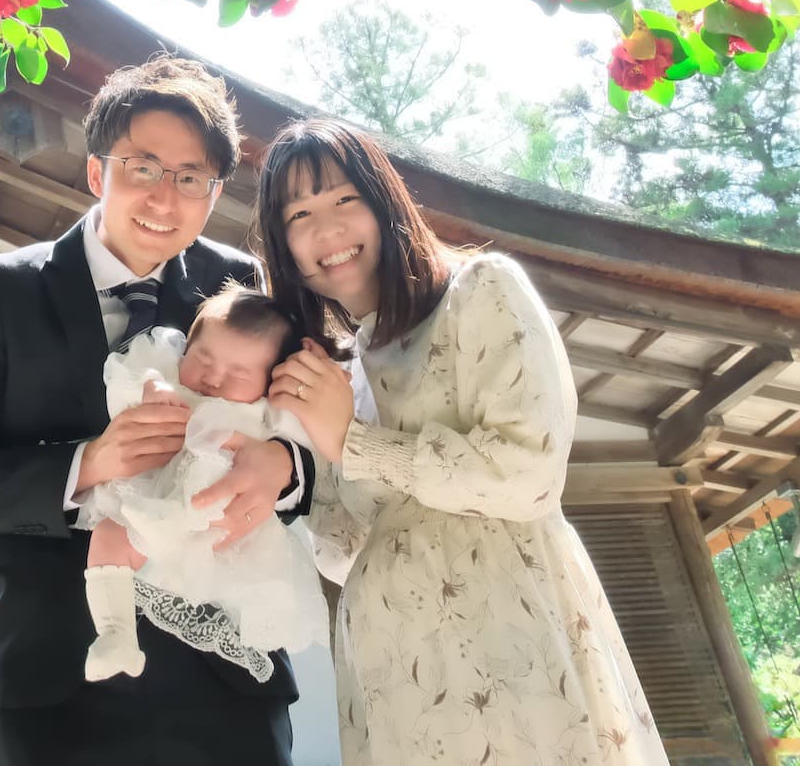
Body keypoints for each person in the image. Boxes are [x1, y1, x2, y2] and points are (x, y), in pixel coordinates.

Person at [0, 55, 314, 766]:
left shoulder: (245, 289)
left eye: (190, 179)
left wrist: (286, 465)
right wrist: (88, 464)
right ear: (97, 173)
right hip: (56, 685)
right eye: (142, 167)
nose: (163, 197)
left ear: (214, 193)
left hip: (226, 677)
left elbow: (322, 437)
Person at [254, 118, 667, 766]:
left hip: (509, 639)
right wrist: (294, 461)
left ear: (384, 202)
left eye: (344, 200)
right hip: (393, 673)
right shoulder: (343, 374)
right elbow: (339, 552)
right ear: (284, 246)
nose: (326, 230)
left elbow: (528, 471)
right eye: (299, 214)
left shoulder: (482, 291)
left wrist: (356, 444)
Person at [78, 287, 329, 682]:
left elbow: (312, 452)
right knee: (108, 538)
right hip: (153, 504)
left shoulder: (267, 414)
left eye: (239, 375)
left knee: (241, 598)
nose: (213, 379)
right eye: (203, 359)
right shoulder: (166, 377)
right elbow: (122, 381)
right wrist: (149, 389)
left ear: (267, 382)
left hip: (221, 529)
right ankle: (115, 633)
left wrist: (285, 458)